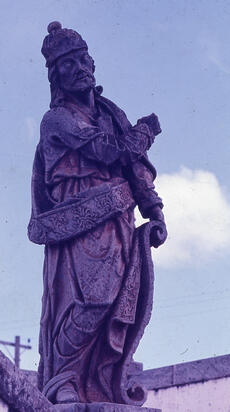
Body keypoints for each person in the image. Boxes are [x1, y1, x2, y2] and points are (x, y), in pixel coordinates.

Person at [28, 22, 167, 406]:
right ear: (56, 78)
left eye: (82, 59)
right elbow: (109, 151)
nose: (79, 68)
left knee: (118, 302)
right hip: (77, 218)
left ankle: (100, 380)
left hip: (118, 219)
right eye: (68, 64)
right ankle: (63, 379)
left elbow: (134, 166)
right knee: (91, 299)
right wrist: (143, 133)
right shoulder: (56, 120)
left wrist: (153, 207)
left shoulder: (111, 113)